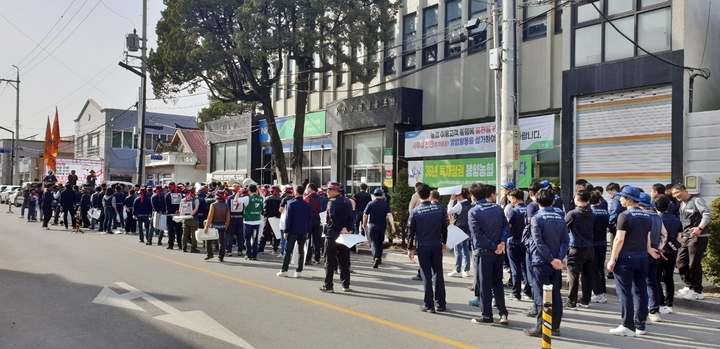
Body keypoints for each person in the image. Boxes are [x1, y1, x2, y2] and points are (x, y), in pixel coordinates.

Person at [606, 186, 657, 337]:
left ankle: (627, 325)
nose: (620, 199)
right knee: (641, 291)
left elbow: (619, 239)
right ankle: (640, 325)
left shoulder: (624, 215)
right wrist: (648, 250)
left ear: (628, 199)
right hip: (642, 257)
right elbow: (647, 237)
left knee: (625, 292)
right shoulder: (647, 215)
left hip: (625, 259)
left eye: (622, 197)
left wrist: (612, 259)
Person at [524, 188, 568, 337]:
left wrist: (551, 259)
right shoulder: (560, 216)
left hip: (540, 261)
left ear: (536, 202)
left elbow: (538, 242)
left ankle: (541, 327)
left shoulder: (537, 218)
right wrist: (558, 259)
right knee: (555, 294)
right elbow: (565, 240)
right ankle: (555, 326)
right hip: (555, 262)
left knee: (540, 296)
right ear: (553, 202)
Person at [468, 183, 509, 325]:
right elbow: (505, 226)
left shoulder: (474, 211)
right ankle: (503, 314)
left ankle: (487, 315)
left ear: (473, 196)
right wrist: (501, 243)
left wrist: (494, 246)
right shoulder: (497, 208)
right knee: (497, 283)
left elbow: (477, 235)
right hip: (499, 252)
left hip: (484, 252)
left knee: (485, 284)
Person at [407, 183, 448, 312]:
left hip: (423, 246)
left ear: (418, 196)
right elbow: (444, 228)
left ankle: (428, 304)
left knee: (426, 275)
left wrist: (410, 249)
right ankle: (440, 303)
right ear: (429, 195)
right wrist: (444, 242)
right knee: (438, 273)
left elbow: (411, 233)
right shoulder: (440, 209)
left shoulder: (415, 212)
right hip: (436, 244)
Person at [672, 184, 712, 301]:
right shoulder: (681, 204)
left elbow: (707, 214)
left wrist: (699, 228)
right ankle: (690, 286)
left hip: (698, 237)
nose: (675, 196)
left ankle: (697, 291)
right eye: (673, 194)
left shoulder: (696, 200)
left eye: (677, 193)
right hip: (686, 237)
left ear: (685, 191)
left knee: (693, 263)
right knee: (680, 262)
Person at [320, 182, 355, 293]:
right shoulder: (348, 202)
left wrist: (340, 228)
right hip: (345, 236)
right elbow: (351, 217)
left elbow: (332, 216)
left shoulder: (332, 202)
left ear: (336, 191)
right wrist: (346, 229)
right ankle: (346, 285)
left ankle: (328, 285)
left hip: (332, 235)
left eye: (329, 190)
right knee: (344, 261)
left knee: (329, 261)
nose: (327, 192)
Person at [564, 189, 596, 310]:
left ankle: (572, 301)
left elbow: (563, 228)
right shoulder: (591, 213)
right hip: (589, 248)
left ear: (577, 199)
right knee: (587, 276)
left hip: (576, 248)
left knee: (573, 275)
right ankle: (586, 300)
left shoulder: (573, 213)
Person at [639, 192, 667, 323]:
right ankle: (654, 311)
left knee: (641, 283)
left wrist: (649, 249)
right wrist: (660, 247)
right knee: (653, 282)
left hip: (644, 252)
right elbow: (664, 234)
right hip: (656, 251)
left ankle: (642, 312)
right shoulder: (657, 216)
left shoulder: (642, 216)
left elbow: (646, 234)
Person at [654, 194, 681, 314]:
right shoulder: (676, 220)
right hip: (672, 252)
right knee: (669, 278)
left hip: (659, 252)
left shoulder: (656, 219)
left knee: (656, 278)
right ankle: (670, 303)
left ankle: (661, 303)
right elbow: (679, 238)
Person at [277, 185, 311, 278]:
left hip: (292, 230)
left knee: (288, 251)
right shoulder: (307, 205)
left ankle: (284, 270)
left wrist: (286, 231)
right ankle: (299, 271)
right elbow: (309, 219)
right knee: (301, 251)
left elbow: (288, 219)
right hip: (303, 230)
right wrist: (307, 230)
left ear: (295, 192)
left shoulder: (291, 204)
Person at [506, 188, 531, 301]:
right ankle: (528, 291)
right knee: (526, 266)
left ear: (514, 199)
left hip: (513, 242)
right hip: (526, 242)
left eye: (510, 198)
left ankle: (516, 293)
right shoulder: (530, 208)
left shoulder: (513, 211)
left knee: (515, 268)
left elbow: (508, 227)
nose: (510, 201)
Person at [363, 188, 395, 268]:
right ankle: (379, 258)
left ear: (374, 195)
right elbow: (390, 215)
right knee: (380, 242)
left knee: (373, 242)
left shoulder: (370, 204)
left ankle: (376, 257)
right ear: (382, 195)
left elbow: (365, 215)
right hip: (382, 226)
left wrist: (364, 223)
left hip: (372, 226)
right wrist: (392, 226)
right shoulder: (385, 205)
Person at [590, 192, 610, 304]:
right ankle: (602, 292)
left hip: (593, 244)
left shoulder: (589, 213)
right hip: (602, 243)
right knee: (600, 270)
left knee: (594, 270)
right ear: (599, 201)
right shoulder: (605, 212)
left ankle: (598, 293)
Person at [447, 188, 472, 278]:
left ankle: (457, 270)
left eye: (456, 196)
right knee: (466, 250)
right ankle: (466, 270)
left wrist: (451, 200)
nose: (455, 197)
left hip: (459, 229)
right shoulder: (469, 204)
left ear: (460, 196)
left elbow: (449, 211)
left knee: (457, 250)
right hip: (467, 229)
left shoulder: (460, 205)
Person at [606, 182, 625, 280]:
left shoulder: (616, 200)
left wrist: (609, 225)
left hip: (617, 227)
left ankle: (613, 271)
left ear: (614, 190)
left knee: (615, 248)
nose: (609, 194)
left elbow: (614, 212)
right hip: (624, 227)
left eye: (609, 192)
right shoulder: (623, 199)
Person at [204, 190, 230, 261]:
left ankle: (210, 254)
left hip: (213, 225)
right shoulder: (226, 205)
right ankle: (221, 256)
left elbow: (210, 217)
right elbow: (228, 217)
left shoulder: (213, 205)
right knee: (221, 241)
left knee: (208, 240)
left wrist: (206, 227)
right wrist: (226, 225)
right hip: (222, 225)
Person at [243, 184, 265, 260]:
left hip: (248, 221)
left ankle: (248, 254)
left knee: (247, 238)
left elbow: (236, 200)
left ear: (249, 191)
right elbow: (262, 195)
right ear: (256, 190)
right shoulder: (260, 198)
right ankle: (254, 255)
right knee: (255, 239)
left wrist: (238, 193)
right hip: (257, 221)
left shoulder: (247, 198)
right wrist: (259, 189)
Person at [304, 183, 323, 265]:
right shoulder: (320, 198)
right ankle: (317, 258)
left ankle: (308, 258)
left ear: (310, 189)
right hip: (318, 219)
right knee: (316, 240)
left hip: (309, 220)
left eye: (307, 188)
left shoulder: (307, 198)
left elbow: (304, 210)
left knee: (308, 239)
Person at [227, 184, 247, 256]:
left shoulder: (229, 198)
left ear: (233, 191)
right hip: (240, 218)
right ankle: (240, 250)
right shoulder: (243, 198)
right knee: (240, 235)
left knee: (230, 235)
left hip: (232, 218)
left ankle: (229, 251)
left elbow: (227, 209)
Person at [180, 187, 201, 253]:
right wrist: (190, 215)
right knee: (194, 234)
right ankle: (193, 248)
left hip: (185, 219)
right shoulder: (195, 200)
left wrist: (184, 216)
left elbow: (180, 209)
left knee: (185, 234)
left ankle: (184, 248)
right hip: (193, 219)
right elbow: (196, 209)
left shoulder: (183, 200)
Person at [164, 182, 183, 250]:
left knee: (171, 230)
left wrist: (173, 210)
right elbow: (183, 204)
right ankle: (180, 244)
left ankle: (171, 245)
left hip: (170, 215)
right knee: (179, 230)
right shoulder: (180, 195)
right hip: (179, 215)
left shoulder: (168, 195)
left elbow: (167, 206)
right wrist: (178, 210)